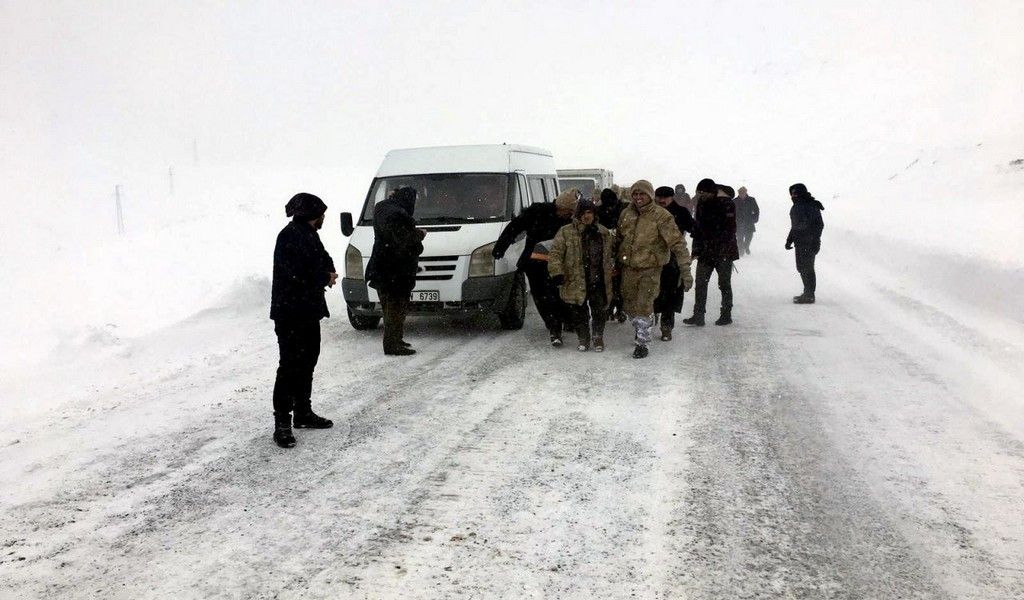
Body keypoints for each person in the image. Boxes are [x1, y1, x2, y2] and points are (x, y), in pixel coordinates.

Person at [269, 193, 337, 449]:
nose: (323, 220)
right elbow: (298, 272)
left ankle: (303, 413)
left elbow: (323, 257)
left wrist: (328, 271)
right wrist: (323, 277)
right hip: (290, 314)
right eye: (321, 215)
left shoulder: (309, 234)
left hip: (307, 312)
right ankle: (282, 424)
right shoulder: (289, 237)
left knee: (308, 361)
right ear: (313, 215)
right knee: (289, 366)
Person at [617, 180, 693, 359]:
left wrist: (686, 270)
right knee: (629, 305)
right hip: (628, 268)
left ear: (649, 195)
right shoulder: (626, 214)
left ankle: (642, 343)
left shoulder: (661, 216)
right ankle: (644, 324)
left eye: (642, 194)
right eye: (635, 194)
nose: (638, 198)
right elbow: (618, 239)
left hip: (650, 269)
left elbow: (677, 243)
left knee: (643, 305)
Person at [493, 188, 578, 346]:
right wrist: (501, 246)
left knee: (560, 295)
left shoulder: (570, 220)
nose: (570, 215)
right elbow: (515, 226)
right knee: (541, 295)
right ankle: (552, 323)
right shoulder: (537, 211)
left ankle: (565, 320)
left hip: (559, 265)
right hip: (535, 263)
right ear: (561, 208)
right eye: (569, 212)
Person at [548, 199, 616, 352]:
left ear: (594, 214)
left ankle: (598, 337)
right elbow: (555, 254)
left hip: (598, 279)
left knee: (599, 309)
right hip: (575, 279)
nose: (587, 216)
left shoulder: (603, 232)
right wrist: (557, 272)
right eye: (583, 213)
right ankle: (583, 338)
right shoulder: (565, 232)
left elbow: (613, 253)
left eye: (590, 212)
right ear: (577, 214)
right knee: (579, 311)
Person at [365, 187, 426, 356]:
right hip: (394, 272)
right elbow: (404, 239)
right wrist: (419, 235)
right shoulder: (398, 215)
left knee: (391, 308)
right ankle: (392, 344)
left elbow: (394, 237)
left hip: (384, 269)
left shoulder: (382, 209)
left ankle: (396, 339)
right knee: (395, 309)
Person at [684, 179, 739, 327]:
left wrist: (715, 243)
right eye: (698, 193)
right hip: (705, 252)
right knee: (701, 284)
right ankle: (698, 315)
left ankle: (726, 314)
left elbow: (730, 230)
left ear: (711, 191)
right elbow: (698, 227)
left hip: (724, 252)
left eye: (703, 193)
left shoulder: (727, 204)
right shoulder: (701, 203)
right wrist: (696, 249)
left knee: (724, 284)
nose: (701, 196)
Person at [653, 186, 694, 341]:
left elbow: (694, 228)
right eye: (659, 197)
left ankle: (666, 326)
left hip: (673, 258)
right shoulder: (650, 213)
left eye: (666, 197)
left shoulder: (681, 212)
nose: (662, 200)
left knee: (670, 292)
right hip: (652, 258)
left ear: (672, 198)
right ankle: (648, 322)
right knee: (650, 291)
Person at [785, 183, 825, 304]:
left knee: (807, 268)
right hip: (800, 242)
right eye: (792, 193)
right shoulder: (798, 205)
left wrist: (815, 240)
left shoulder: (810, 205)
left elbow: (819, 225)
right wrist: (789, 239)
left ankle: (809, 295)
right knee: (801, 268)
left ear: (801, 193)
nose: (793, 196)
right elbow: (795, 226)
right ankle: (807, 292)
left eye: (795, 193)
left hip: (808, 242)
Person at [735, 186, 760, 255]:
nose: (742, 194)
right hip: (738, 223)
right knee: (740, 238)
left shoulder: (751, 200)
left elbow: (756, 210)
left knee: (749, 237)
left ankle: (746, 247)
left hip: (749, 222)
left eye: (743, 193)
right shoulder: (735, 201)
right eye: (741, 193)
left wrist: (755, 219)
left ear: (746, 193)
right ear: (739, 193)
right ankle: (741, 251)